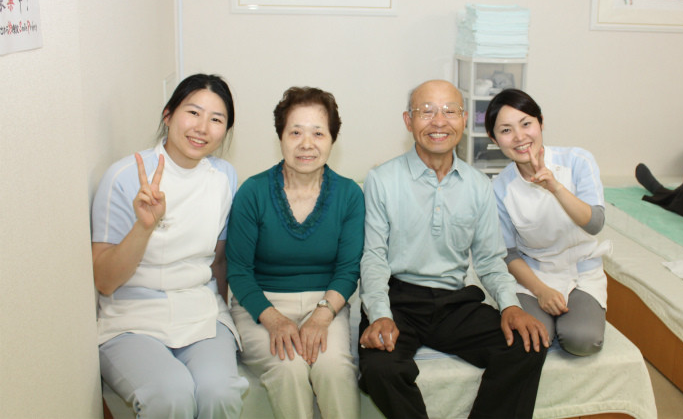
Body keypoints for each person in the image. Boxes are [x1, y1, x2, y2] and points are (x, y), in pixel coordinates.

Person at [358, 79, 549, 419]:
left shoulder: (478, 185)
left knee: (526, 346)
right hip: (398, 299)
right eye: (426, 111)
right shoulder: (381, 180)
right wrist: (380, 314)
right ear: (408, 121)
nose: (438, 121)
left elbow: (490, 260)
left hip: (453, 302)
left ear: (463, 119)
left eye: (449, 111)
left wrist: (510, 305)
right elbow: (373, 257)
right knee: (379, 369)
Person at [91, 73, 247, 419]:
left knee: (219, 393)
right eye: (193, 112)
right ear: (168, 115)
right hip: (132, 318)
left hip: (200, 310)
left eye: (216, 119)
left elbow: (218, 260)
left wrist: (222, 312)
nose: (202, 128)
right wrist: (144, 227)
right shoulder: (124, 176)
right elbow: (104, 280)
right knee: (170, 396)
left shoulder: (224, 177)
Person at [226, 86, 364, 419]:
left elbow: (348, 270)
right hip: (262, 305)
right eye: (296, 132)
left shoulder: (349, 194)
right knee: (288, 368)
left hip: (326, 304)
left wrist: (323, 315)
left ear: (332, 139)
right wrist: (272, 318)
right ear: (281, 137)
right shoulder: (253, 192)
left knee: (335, 370)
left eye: (318, 133)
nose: (306, 143)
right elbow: (239, 271)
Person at [484, 88, 610, 357]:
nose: (519, 137)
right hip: (533, 276)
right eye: (506, 130)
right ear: (494, 139)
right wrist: (541, 291)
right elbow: (508, 253)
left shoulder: (577, 161)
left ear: (540, 122)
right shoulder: (499, 189)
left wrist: (555, 187)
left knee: (582, 340)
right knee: (531, 339)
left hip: (581, 270)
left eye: (526, 124)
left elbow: (595, 223)